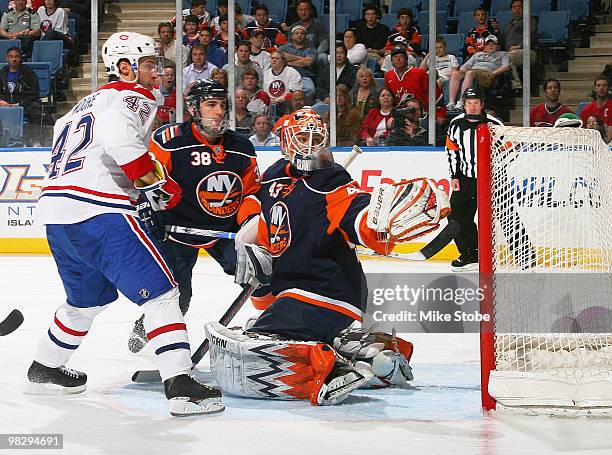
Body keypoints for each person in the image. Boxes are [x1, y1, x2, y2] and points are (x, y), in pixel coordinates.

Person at [28, 32, 223, 417]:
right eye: (149, 64)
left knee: (86, 300)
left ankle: (45, 366)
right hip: (99, 213)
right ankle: (181, 386)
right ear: (124, 68)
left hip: (58, 216)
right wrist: (162, 189)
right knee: (164, 294)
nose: (158, 72)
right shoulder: (129, 97)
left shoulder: (76, 109)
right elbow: (124, 146)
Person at [205, 107, 450, 405]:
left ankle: (333, 370)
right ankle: (376, 359)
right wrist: (249, 232)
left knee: (262, 338)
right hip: (294, 289)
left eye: (315, 136)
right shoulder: (274, 176)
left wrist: (376, 225)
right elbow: (259, 204)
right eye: (301, 136)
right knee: (272, 330)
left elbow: (356, 214)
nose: (309, 144)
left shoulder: (331, 180)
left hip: (327, 290)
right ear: (284, 142)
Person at [127, 79, 264, 353]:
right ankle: (150, 328)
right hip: (177, 232)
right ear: (193, 109)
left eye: (222, 106)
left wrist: (250, 223)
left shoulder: (242, 147)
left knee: (261, 276)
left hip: (225, 230)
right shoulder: (169, 141)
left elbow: (252, 192)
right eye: (210, 105)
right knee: (180, 297)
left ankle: (279, 329)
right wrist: (148, 211)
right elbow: (146, 183)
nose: (218, 112)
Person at [445, 88, 503, 271]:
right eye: (468, 103)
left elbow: (507, 149)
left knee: (506, 215)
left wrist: (497, 172)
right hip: (466, 179)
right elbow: (451, 150)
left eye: (475, 103)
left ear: (482, 104)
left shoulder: (494, 124)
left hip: (492, 178)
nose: (472, 106)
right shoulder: (456, 123)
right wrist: (454, 175)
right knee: (456, 216)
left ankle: (525, 254)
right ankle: (471, 254)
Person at [447, 35, 510, 112]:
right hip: (473, 72)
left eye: (493, 44)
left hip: (487, 74)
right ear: (485, 46)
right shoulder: (478, 54)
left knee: (470, 73)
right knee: (455, 74)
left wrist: (494, 73)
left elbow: (506, 67)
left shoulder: (502, 54)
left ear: (498, 46)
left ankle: (462, 102)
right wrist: (464, 72)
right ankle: (451, 103)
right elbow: (463, 67)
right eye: (488, 44)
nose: (490, 46)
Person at [384, 45, 446, 122]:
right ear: (391, 61)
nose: (398, 59)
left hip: (423, 114)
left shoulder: (420, 73)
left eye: (401, 56)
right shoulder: (388, 76)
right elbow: (390, 100)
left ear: (406, 60)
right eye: (395, 57)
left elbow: (436, 94)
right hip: (401, 116)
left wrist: (441, 115)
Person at [0, 46, 41, 144]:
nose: (14, 59)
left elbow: (34, 94)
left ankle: (36, 140)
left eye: (16, 56)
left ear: (20, 58)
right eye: (11, 56)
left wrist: (19, 104)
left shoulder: (28, 73)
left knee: (35, 108)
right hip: (4, 105)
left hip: (23, 105)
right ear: (7, 58)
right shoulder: (2, 73)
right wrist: (1, 101)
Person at [501, 0, 538, 92]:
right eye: (514, 7)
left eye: (519, 7)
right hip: (510, 53)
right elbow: (502, 41)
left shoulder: (530, 21)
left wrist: (519, 46)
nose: (517, 9)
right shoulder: (508, 24)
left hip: (527, 52)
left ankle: (517, 87)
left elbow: (531, 37)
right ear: (511, 10)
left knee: (506, 58)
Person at [278, 24, 317, 101]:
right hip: (286, 76)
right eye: (296, 33)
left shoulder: (311, 49)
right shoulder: (284, 47)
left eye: (302, 33)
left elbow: (308, 62)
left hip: (304, 76)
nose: (299, 35)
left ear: (305, 36)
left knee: (310, 90)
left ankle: (302, 108)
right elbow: (278, 56)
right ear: (292, 36)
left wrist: (287, 62)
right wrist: (302, 59)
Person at [291, 0, 329, 67]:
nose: (303, 12)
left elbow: (324, 43)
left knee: (323, 57)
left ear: (311, 11)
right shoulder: (293, 27)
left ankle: (322, 77)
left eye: (306, 9)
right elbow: (289, 45)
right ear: (297, 11)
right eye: (301, 10)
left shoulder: (319, 25)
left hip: (316, 55)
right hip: (298, 56)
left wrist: (313, 56)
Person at [579, 75, 612, 140]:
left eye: (604, 85)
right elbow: (582, 132)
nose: (601, 88)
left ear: (609, 88)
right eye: (598, 85)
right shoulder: (586, 111)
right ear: (594, 88)